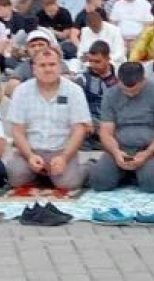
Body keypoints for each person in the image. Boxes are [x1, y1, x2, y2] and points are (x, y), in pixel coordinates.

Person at [5, 46, 91, 190]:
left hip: (62, 150)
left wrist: (64, 158)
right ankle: (41, 176)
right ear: (34, 68)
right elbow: (17, 130)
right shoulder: (21, 91)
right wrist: (29, 155)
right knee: (15, 178)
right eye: (42, 65)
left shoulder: (74, 91)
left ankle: (88, 167)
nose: (48, 69)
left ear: (60, 66)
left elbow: (79, 130)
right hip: (30, 150)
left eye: (52, 64)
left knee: (69, 184)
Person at [88, 62, 154, 193]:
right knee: (99, 182)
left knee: (152, 184)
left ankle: (135, 174)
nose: (130, 94)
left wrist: (148, 153)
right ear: (119, 81)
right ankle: (124, 173)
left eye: (134, 90)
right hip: (119, 148)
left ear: (143, 80)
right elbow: (106, 131)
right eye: (125, 90)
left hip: (149, 150)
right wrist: (116, 152)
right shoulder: (110, 95)